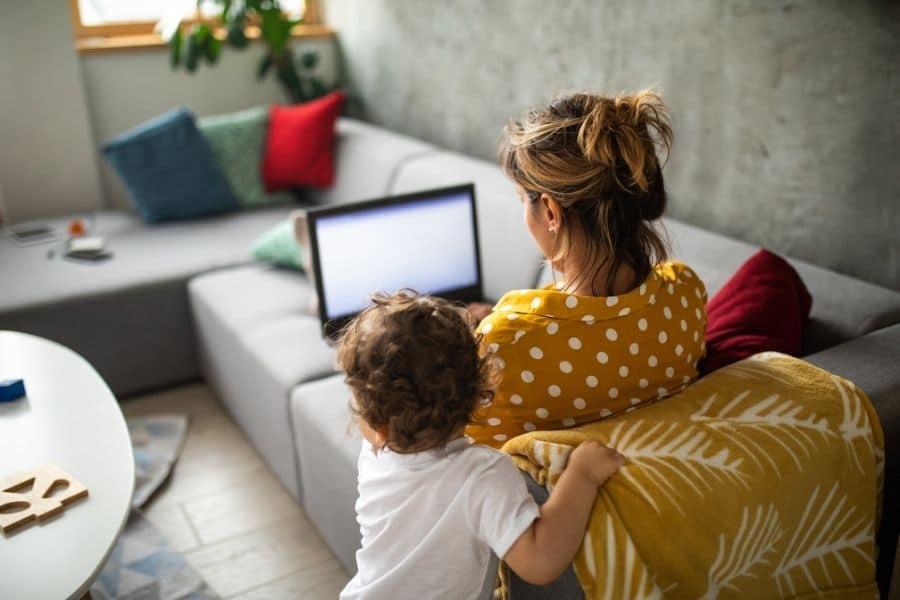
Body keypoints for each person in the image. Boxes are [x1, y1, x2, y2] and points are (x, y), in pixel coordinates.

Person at [337, 291, 624, 600]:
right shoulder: (484, 475)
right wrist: (582, 475)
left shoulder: (376, 458)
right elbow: (541, 561)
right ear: (478, 391)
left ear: (379, 429)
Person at [466, 90, 708, 447]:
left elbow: (463, 461)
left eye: (523, 200)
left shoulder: (503, 346)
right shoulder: (686, 295)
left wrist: (477, 338)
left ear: (550, 211)